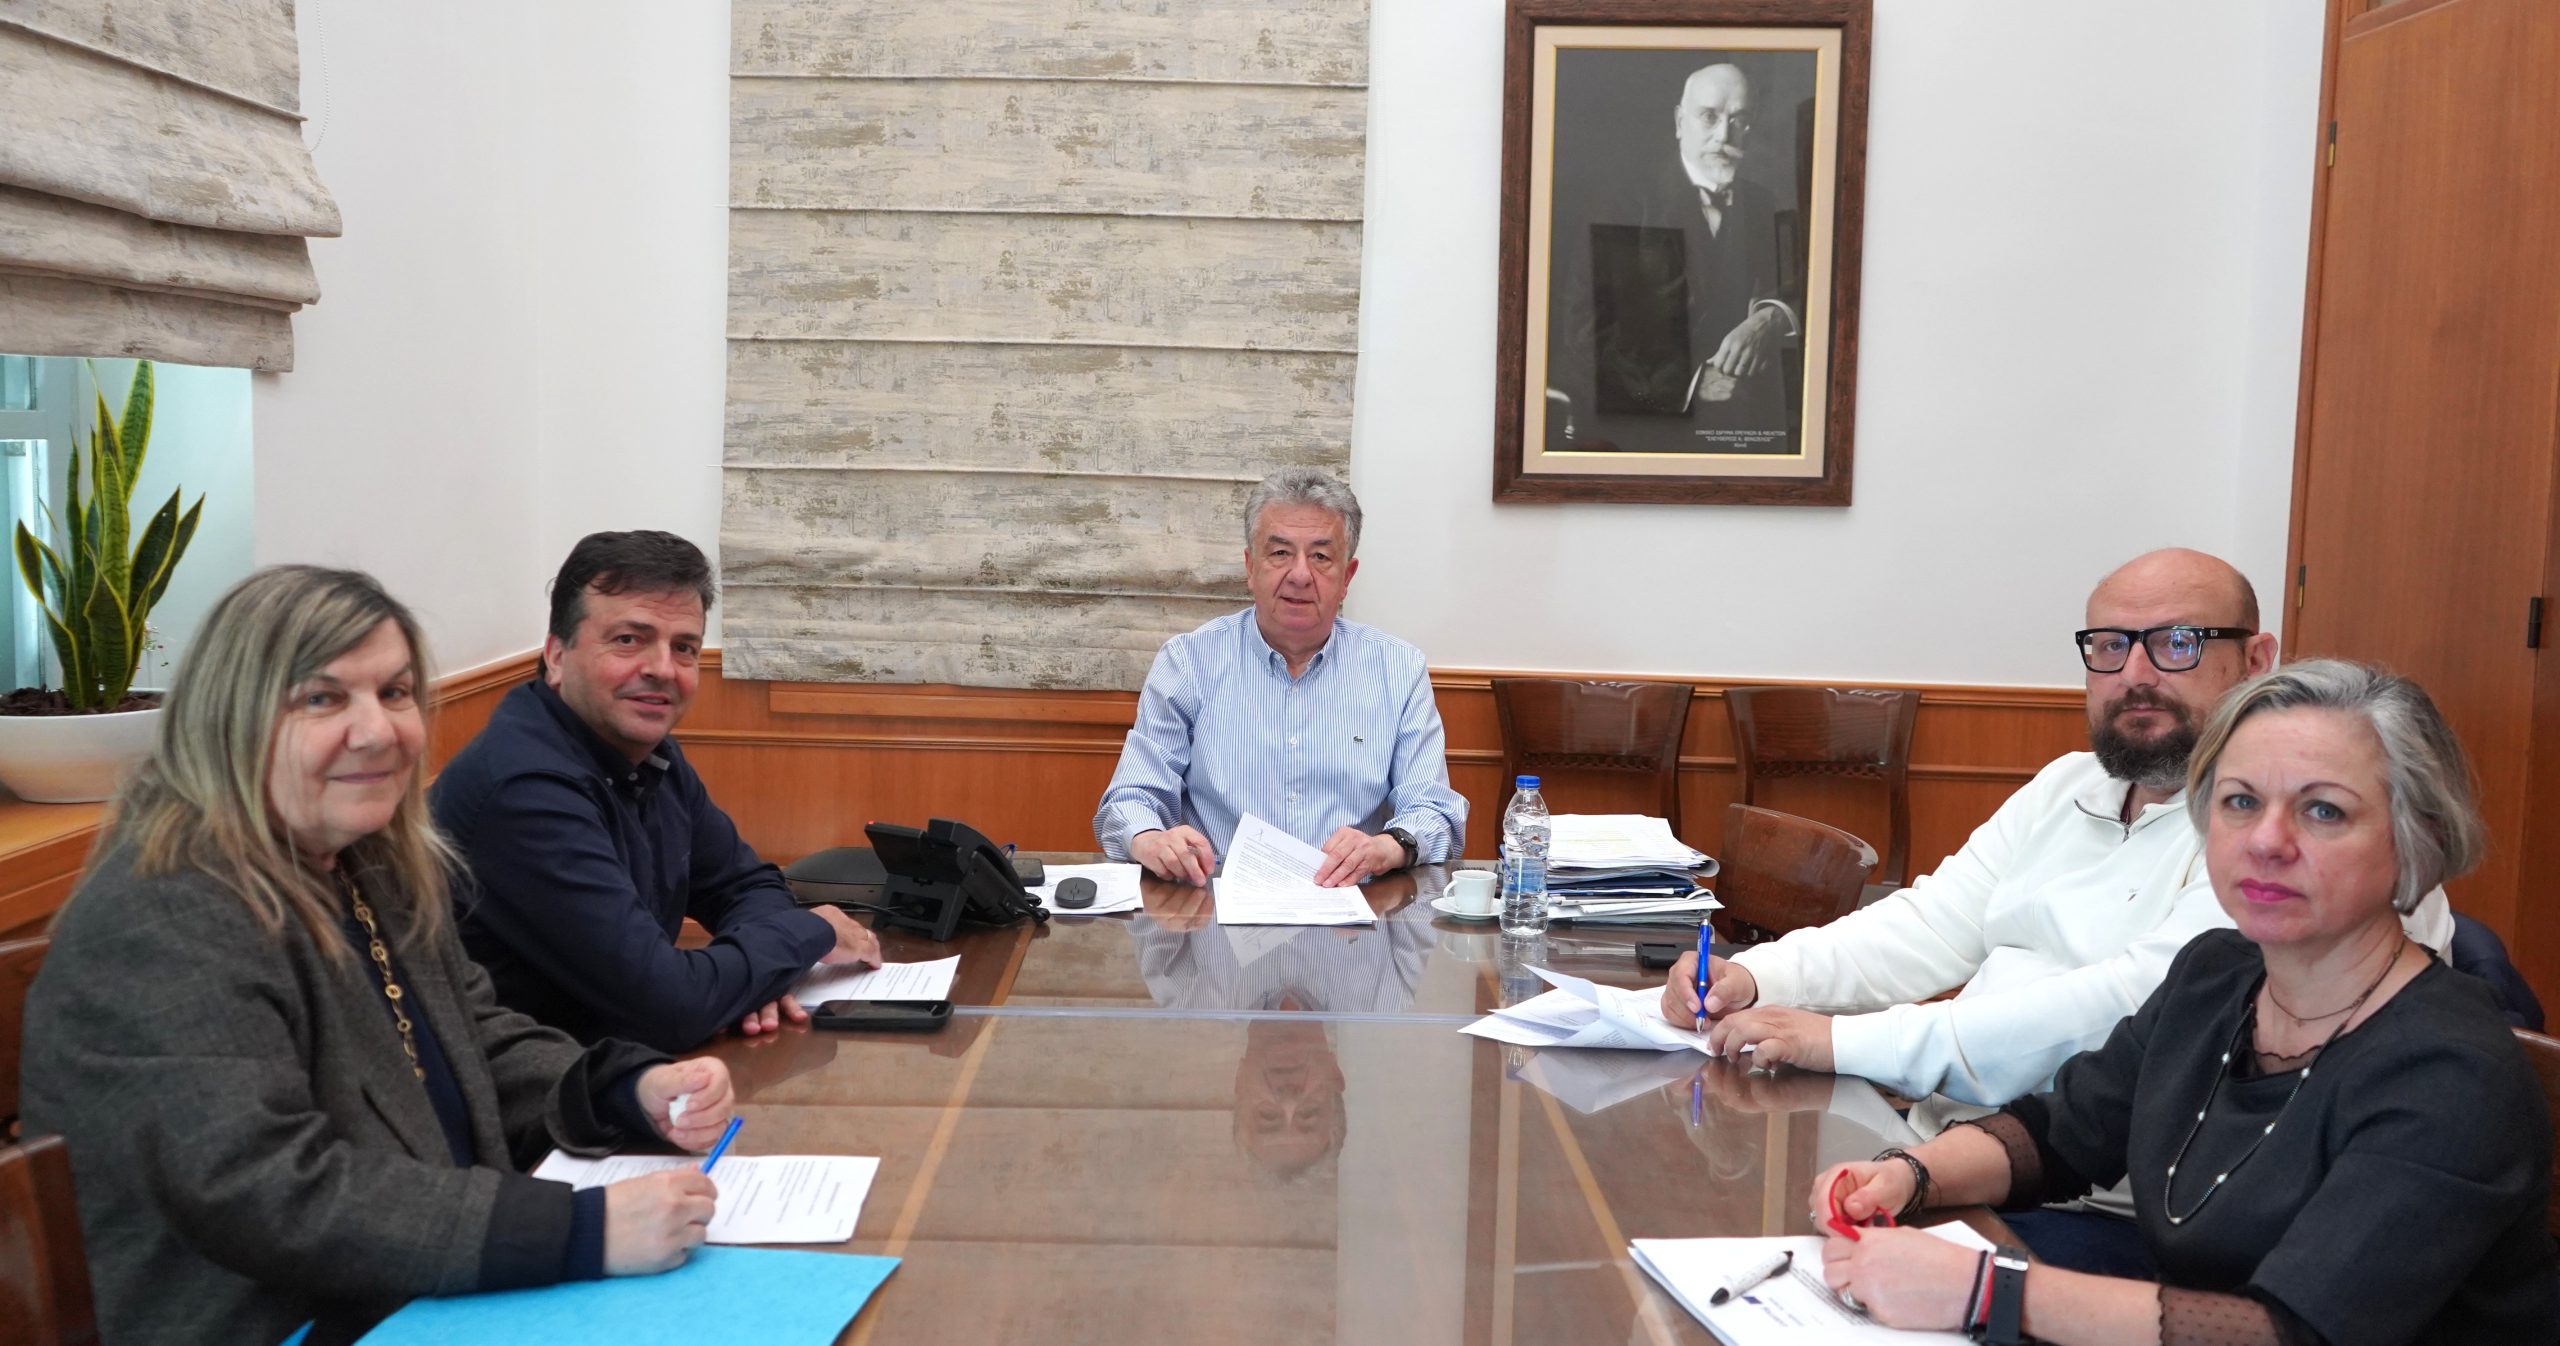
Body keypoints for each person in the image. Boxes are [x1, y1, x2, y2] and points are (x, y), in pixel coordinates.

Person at [20, 566, 741, 1346]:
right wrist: (579, 1229)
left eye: (394, 693)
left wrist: (624, 1090)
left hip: (415, 1297)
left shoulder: (363, 860)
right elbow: (268, 1190)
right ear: (230, 717)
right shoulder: (164, 912)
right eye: (322, 699)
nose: (377, 731)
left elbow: (475, 1039)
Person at [1810, 660, 2559, 1345]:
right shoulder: (2216, 975)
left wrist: (1985, 1290)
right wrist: (1913, 1174)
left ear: (2417, 838)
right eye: (2240, 802)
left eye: (2324, 811)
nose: (2266, 841)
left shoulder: (2451, 1072)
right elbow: (2064, 1132)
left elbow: (2296, 1334)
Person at [1658, 551, 2454, 1164]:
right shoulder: (2066, 785)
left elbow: (2115, 1014)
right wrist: (1758, 978)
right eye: (2109, 646)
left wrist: (1845, 1043)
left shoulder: (2267, 851)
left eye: (2176, 643)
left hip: (2087, 1189)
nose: (2134, 675)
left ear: (2256, 660)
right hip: (1942, 1144)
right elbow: (1931, 924)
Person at [434, 531, 879, 1053]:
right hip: (527, 1088)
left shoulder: (645, 751)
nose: (662, 669)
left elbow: (743, 883)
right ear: (556, 656)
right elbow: (668, 1006)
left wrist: (759, 978)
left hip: (620, 1067)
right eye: (628, 639)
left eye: (684, 648)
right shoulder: (524, 789)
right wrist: (811, 932)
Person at [1093, 468, 1467, 887]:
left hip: (1352, 911)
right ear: (1251, 567)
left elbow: (1435, 811)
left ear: (1347, 577)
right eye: (1280, 553)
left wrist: (1390, 845)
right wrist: (1149, 838)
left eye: (1321, 557)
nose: (1300, 575)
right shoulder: (1188, 663)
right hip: (1216, 908)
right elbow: (1131, 798)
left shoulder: (1397, 669)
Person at [1549, 61, 1802, 456]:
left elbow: (1797, 287)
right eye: (1709, 116)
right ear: (1680, 122)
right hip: (1641, 417)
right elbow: (1585, 329)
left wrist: (1770, 318)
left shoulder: (1760, 203)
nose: (1723, 135)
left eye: (1738, 120)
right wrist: (1693, 382)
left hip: (1739, 419)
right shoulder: (1625, 202)